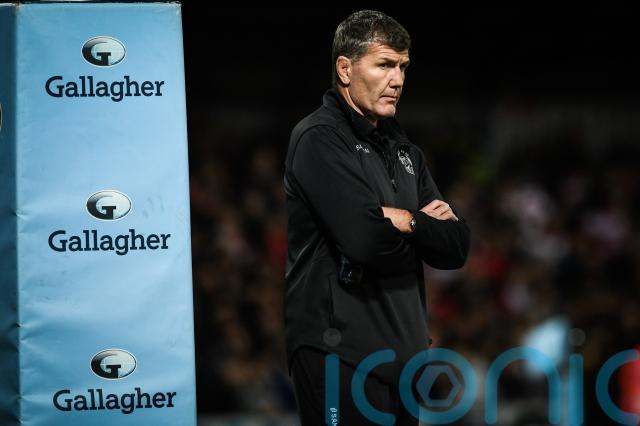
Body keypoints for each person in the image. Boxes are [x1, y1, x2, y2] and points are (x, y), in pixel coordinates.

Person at [283, 10, 470, 425]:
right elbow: (365, 241)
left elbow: (456, 246)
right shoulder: (318, 138)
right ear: (345, 69)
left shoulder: (404, 150)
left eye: (403, 67)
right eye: (384, 64)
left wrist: (406, 220)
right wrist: (420, 228)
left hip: (403, 360)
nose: (397, 79)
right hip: (340, 355)